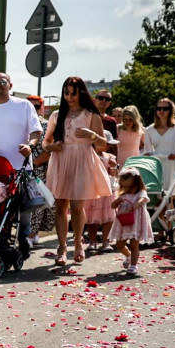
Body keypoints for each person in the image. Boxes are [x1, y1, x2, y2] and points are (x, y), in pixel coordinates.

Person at [43, 76, 112, 266]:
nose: (69, 97)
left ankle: (79, 243)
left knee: (76, 206)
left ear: (81, 93)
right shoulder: (57, 115)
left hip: (82, 160)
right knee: (60, 206)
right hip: (61, 160)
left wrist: (93, 135)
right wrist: (50, 148)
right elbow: (46, 141)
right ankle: (62, 246)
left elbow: (103, 145)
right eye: (66, 92)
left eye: (73, 93)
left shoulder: (91, 114)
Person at [0, 72, 41, 258]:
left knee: (23, 208)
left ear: (10, 85)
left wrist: (30, 146)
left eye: (2, 82)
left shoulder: (23, 105)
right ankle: (0, 241)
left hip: (20, 166)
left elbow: (36, 131)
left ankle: (24, 238)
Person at [25, 96, 55, 245]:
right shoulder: (21, 122)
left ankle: (32, 234)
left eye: (36, 106)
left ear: (41, 108)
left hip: (37, 170)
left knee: (36, 203)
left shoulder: (46, 125)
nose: (33, 109)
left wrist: (33, 164)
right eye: (30, 106)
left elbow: (48, 151)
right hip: (19, 169)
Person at [111, 168, 152, 276]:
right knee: (119, 245)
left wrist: (131, 208)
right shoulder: (123, 194)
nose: (127, 189)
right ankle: (128, 256)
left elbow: (142, 200)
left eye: (130, 187)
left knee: (134, 245)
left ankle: (133, 265)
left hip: (136, 222)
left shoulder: (141, 193)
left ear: (137, 184)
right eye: (124, 186)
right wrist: (117, 200)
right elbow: (112, 206)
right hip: (123, 223)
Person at [143, 97, 175, 192]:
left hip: (174, 164)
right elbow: (147, 150)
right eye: (159, 108)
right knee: (159, 195)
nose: (161, 111)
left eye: (165, 108)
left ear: (170, 111)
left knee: (173, 194)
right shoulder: (149, 130)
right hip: (157, 165)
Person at [84, 136, 119, 252]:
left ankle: (106, 241)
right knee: (91, 217)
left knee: (108, 218)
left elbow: (114, 175)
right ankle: (92, 240)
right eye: (106, 143)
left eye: (109, 144)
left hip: (107, 191)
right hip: (92, 190)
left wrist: (113, 166)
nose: (109, 146)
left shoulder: (110, 157)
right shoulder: (88, 155)